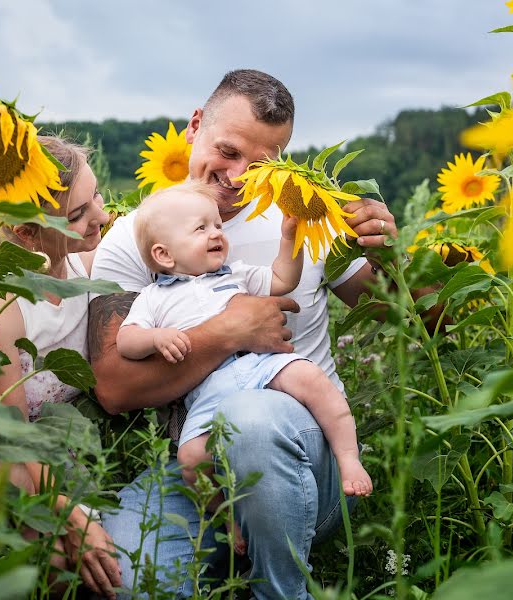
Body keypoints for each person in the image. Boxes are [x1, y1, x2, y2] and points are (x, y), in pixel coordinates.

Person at [89, 70, 398, 599]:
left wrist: (389, 253)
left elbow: (403, 312)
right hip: (200, 468)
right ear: (193, 126)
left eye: (260, 166)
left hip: (307, 456)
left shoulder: (301, 213)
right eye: (227, 151)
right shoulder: (141, 237)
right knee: (124, 575)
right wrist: (231, 330)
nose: (237, 176)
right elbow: (114, 388)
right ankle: (238, 544)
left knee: (250, 419)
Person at [0, 136, 120, 598]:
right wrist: (71, 514)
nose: (101, 216)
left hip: (47, 446)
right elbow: (5, 434)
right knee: (54, 545)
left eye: (95, 195)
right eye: (77, 214)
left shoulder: (85, 263)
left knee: (70, 551)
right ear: (26, 233)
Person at [116, 182, 372, 511]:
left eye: (218, 226)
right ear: (163, 254)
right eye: (201, 228)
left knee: (311, 379)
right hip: (207, 388)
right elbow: (126, 340)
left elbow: (282, 279)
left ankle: (348, 458)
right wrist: (155, 338)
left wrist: (289, 240)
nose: (216, 234)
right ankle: (226, 517)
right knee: (191, 458)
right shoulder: (153, 298)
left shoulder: (235, 275)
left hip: (258, 366)